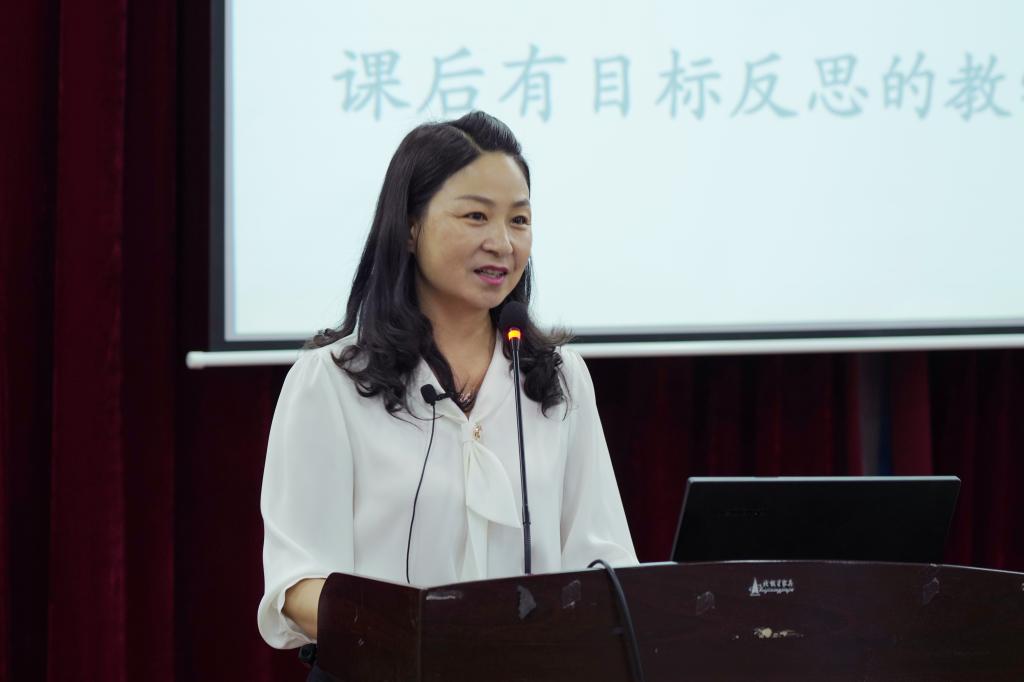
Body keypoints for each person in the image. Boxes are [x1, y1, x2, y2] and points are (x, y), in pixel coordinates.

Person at [257, 111, 637, 660]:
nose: (502, 243)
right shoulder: (332, 382)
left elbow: (604, 562)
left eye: (519, 220)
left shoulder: (558, 378)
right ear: (410, 227)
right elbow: (298, 586)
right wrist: (423, 635)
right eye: (476, 216)